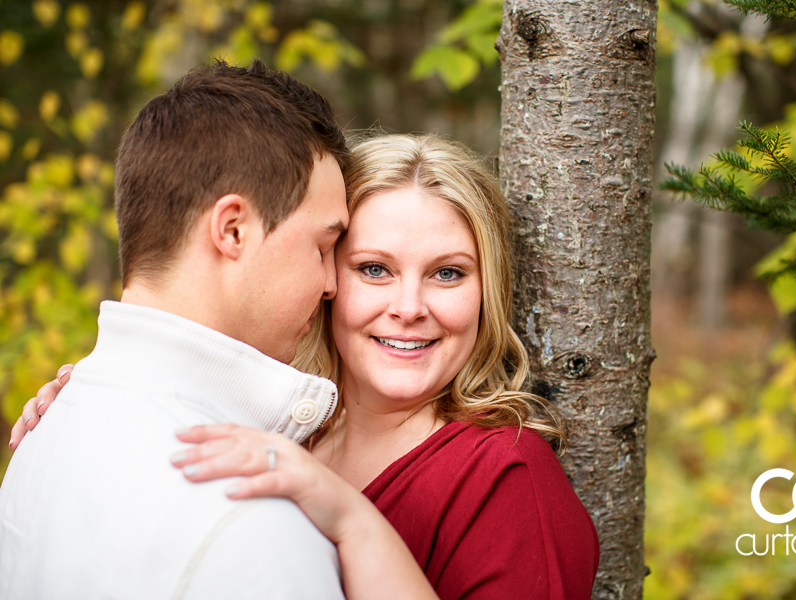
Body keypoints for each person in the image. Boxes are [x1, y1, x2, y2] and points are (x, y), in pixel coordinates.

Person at [13, 134, 601, 599]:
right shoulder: (287, 428)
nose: (409, 308)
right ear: (326, 277)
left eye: (448, 273)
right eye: (374, 268)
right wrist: (106, 405)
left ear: (486, 292)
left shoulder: (505, 476)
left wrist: (355, 522)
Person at [0, 60, 352, 599]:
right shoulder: (249, 515)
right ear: (233, 230)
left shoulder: (46, 434)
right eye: (324, 247)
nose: (331, 284)